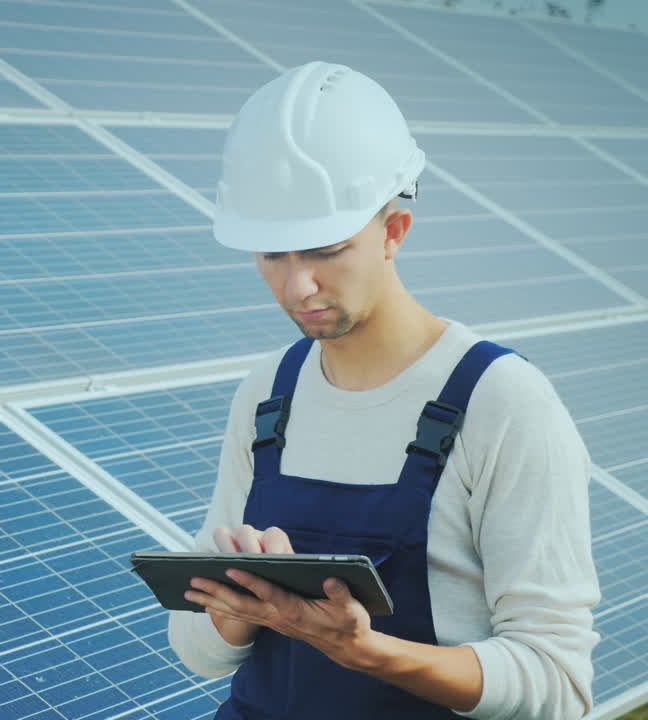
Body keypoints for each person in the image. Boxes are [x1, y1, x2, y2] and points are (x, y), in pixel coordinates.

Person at [168, 61, 600, 719]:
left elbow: (558, 683)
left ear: (393, 232)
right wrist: (233, 612)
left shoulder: (503, 403)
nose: (297, 287)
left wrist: (367, 651)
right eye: (273, 254)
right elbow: (199, 653)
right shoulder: (268, 395)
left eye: (325, 249)